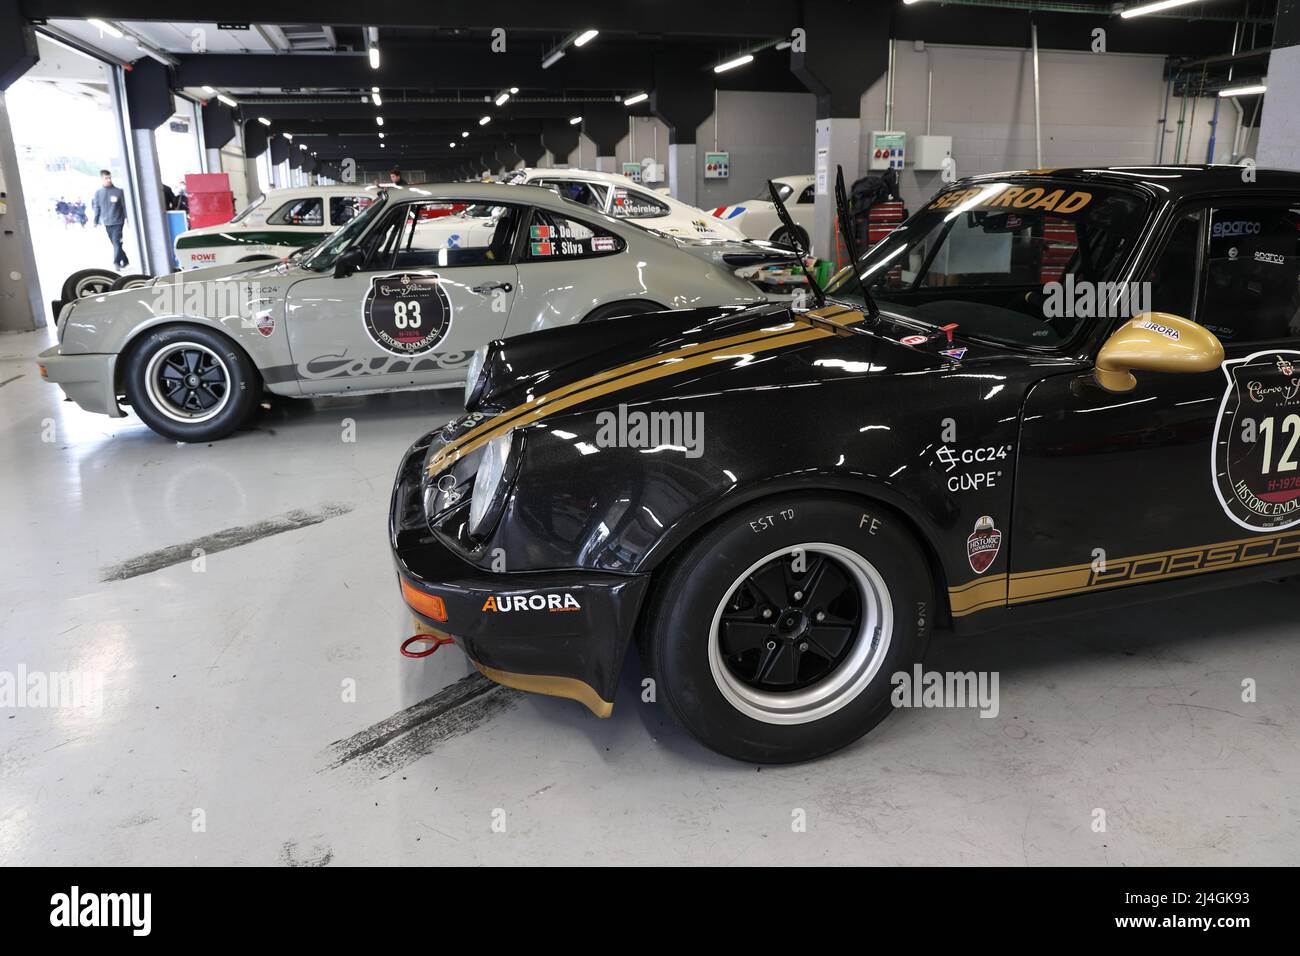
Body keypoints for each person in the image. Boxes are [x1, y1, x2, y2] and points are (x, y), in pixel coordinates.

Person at [92, 169, 129, 269]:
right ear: (101, 179)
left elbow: (125, 207)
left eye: (109, 178)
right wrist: (95, 220)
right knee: (115, 243)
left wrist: (128, 220)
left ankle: (116, 262)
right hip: (107, 222)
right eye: (106, 178)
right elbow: (97, 207)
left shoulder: (119, 192)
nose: (108, 180)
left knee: (117, 242)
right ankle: (125, 259)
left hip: (118, 221)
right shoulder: (98, 193)